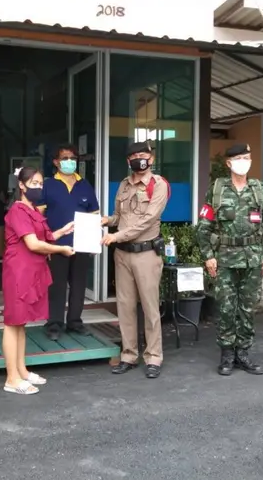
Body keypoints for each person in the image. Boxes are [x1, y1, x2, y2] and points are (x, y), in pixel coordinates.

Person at [196, 143, 263, 376]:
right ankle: (227, 354)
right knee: (225, 307)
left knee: (248, 307)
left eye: (247, 157)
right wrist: (208, 256)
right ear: (229, 163)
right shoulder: (217, 190)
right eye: (239, 158)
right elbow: (204, 226)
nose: (243, 162)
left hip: (253, 260)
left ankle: (243, 353)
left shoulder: (260, 190)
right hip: (225, 259)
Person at [2, 167, 75, 395]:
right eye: (34, 183)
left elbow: (45, 236)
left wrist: (62, 231)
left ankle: (22, 371)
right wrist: (61, 249)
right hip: (19, 271)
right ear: (21, 185)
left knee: (20, 323)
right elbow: (33, 244)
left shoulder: (32, 210)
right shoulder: (18, 210)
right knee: (12, 323)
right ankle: (11, 378)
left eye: (41, 184)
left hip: (31, 271)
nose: (38, 187)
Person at [101, 141, 169, 379]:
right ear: (128, 161)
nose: (139, 159)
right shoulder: (123, 184)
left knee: (150, 307)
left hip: (146, 254)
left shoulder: (158, 185)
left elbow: (147, 221)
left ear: (151, 158)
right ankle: (128, 355)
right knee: (125, 306)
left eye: (143, 154)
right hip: (122, 254)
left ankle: (154, 357)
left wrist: (116, 236)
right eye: (133, 156)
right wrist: (106, 221)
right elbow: (119, 217)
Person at [38, 144, 100, 341]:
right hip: (57, 245)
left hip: (82, 244)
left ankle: (75, 322)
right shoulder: (48, 185)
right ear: (56, 162)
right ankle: (54, 324)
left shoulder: (85, 185)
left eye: (73, 158)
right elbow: (39, 216)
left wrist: (93, 241)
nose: (69, 162)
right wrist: (44, 243)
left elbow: (94, 214)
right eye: (65, 158)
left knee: (79, 284)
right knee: (56, 286)